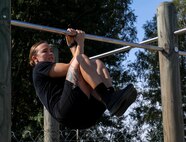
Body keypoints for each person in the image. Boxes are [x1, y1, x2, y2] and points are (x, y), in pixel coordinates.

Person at [29, 28, 137, 129]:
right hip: (66, 111)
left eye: (51, 50)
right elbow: (73, 64)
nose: (50, 53)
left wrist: (72, 45)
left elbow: (77, 66)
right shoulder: (39, 68)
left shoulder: (52, 71)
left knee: (97, 63)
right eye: (45, 51)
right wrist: (79, 43)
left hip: (85, 116)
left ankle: (111, 100)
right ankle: (109, 99)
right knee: (82, 58)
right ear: (35, 58)